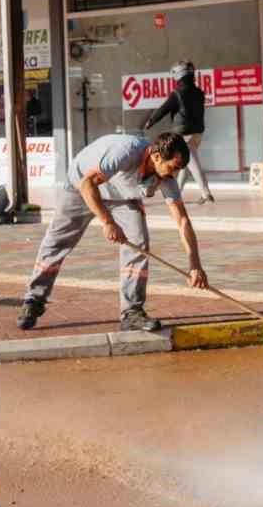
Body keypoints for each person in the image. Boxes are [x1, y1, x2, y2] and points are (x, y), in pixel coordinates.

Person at [18, 131, 209, 333]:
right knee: (57, 242)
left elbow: (182, 220)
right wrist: (107, 222)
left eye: (178, 170)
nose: (175, 175)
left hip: (122, 197)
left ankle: (131, 312)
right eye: (173, 168)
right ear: (156, 156)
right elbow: (87, 184)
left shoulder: (166, 176)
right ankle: (33, 300)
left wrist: (195, 264)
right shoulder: (125, 152)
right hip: (81, 187)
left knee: (139, 243)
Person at [141, 61, 213, 204]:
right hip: (198, 133)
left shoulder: (178, 93)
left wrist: (150, 121)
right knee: (185, 163)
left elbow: (163, 109)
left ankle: (205, 192)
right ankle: (178, 192)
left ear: (178, 75)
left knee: (193, 165)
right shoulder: (199, 92)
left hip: (184, 134)